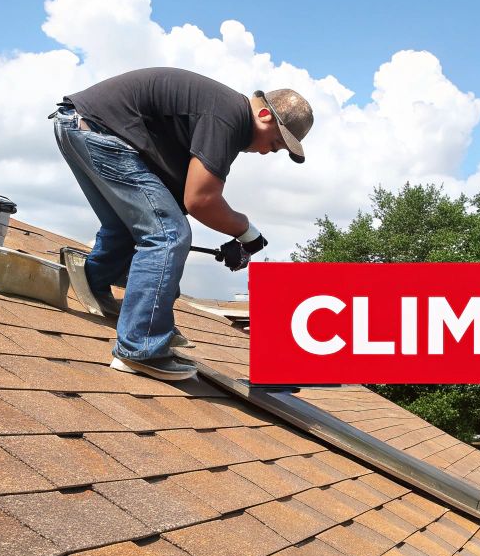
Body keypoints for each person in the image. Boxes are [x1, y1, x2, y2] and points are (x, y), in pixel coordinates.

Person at [51, 67, 313, 381]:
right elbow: (200, 200)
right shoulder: (228, 118)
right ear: (264, 115)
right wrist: (247, 234)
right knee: (169, 234)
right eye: (274, 144)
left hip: (80, 125)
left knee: (133, 224)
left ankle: (95, 280)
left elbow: (179, 196)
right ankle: (140, 348)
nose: (267, 152)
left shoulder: (223, 113)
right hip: (96, 130)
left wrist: (241, 236)